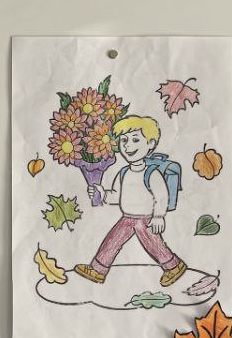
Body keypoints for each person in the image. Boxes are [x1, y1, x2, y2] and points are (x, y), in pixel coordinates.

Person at [76, 115, 187, 287]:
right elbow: (116, 197)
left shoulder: (151, 172)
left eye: (135, 140)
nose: (128, 145)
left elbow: (161, 196)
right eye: (124, 140)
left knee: (154, 244)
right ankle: (97, 270)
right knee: (112, 240)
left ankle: (173, 266)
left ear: (150, 144)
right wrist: (102, 192)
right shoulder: (123, 173)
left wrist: (158, 216)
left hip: (145, 219)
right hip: (127, 217)